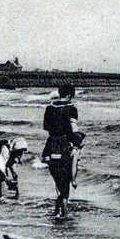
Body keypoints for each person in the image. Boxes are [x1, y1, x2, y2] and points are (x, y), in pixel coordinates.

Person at [42, 84, 82, 217]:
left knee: (58, 178)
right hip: (65, 143)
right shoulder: (71, 108)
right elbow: (73, 128)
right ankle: (64, 213)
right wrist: (77, 142)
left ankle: (57, 211)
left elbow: (46, 127)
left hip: (51, 144)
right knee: (66, 179)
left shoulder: (49, 108)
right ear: (69, 96)